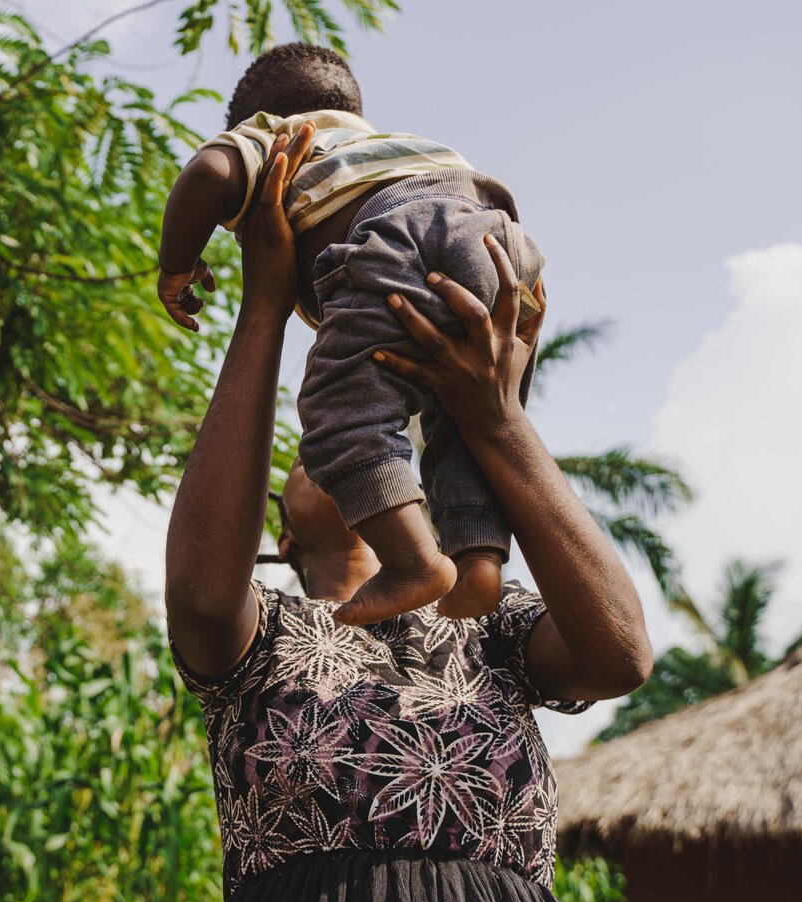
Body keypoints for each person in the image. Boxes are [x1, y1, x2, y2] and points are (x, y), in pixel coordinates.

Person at [165, 127, 654, 902]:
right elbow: (199, 590)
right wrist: (265, 303)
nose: (362, 445)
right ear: (278, 525)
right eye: (320, 452)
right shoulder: (260, 638)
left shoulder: (486, 623)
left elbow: (620, 655)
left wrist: (494, 417)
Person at [158, 43, 546, 626]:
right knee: (459, 421)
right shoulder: (397, 145)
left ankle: (415, 561)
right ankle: (479, 556)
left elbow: (208, 174)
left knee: (338, 410)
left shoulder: (278, 139)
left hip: (400, 241)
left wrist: (175, 266)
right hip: (503, 247)